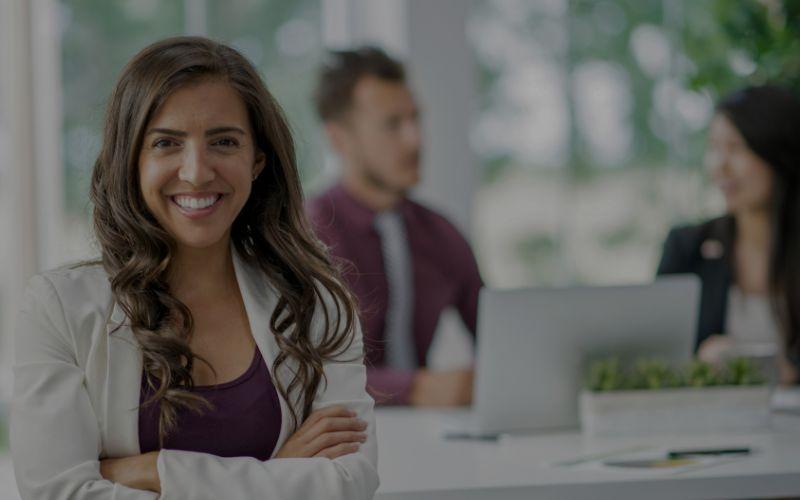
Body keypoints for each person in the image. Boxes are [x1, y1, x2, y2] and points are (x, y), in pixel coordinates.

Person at [11, 37, 378, 499]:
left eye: (224, 141)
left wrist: (153, 471)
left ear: (257, 160)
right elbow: (57, 493)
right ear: (132, 161)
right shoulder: (58, 309)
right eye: (166, 143)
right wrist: (276, 474)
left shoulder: (317, 302)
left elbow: (349, 483)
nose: (197, 171)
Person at [306, 47, 483, 406]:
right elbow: (305, 370)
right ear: (339, 138)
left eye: (415, 120)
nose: (414, 140)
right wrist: (418, 388)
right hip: (337, 440)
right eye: (392, 125)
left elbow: (498, 336)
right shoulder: (305, 233)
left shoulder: (440, 232)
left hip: (428, 434)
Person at [657, 85, 800, 385]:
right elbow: (657, 358)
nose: (719, 166)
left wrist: (777, 368)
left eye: (736, 148)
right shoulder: (688, 247)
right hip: (714, 424)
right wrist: (700, 361)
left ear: (776, 153)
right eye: (714, 148)